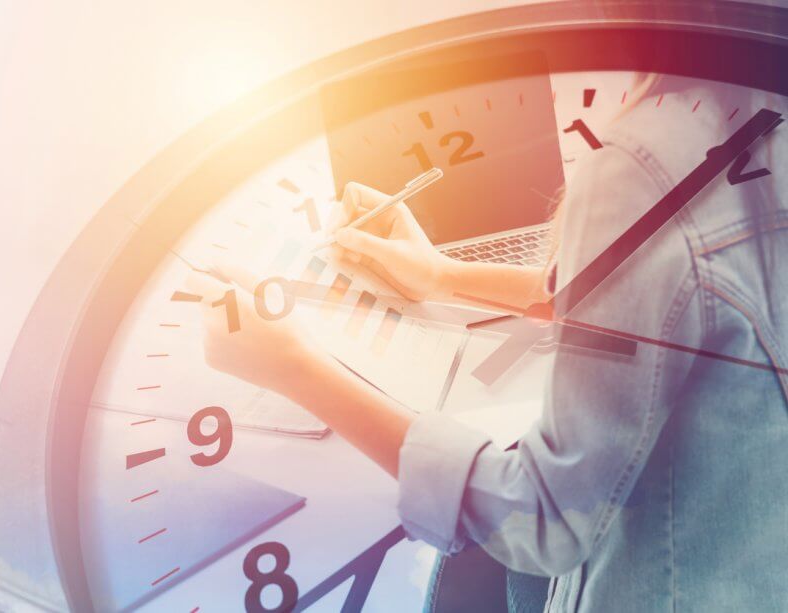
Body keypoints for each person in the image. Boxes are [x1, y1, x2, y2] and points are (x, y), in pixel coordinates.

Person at [186, 74, 787, 611]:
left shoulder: (649, 157)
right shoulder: (754, 114)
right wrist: (441, 274)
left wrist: (294, 368)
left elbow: (547, 519)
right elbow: (668, 289)